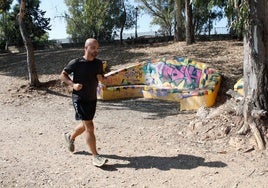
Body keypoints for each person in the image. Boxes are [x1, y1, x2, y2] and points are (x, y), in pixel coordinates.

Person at [60, 38, 107, 167]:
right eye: (93, 48)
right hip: (79, 98)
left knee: (85, 125)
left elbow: (102, 79)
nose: (95, 51)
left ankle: (70, 136)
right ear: (86, 48)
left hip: (92, 98)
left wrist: (101, 79)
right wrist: (73, 84)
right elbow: (63, 75)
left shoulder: (98, 63)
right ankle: (96, 156)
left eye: (97, 48)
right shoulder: (76, 62)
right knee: (90, 127)